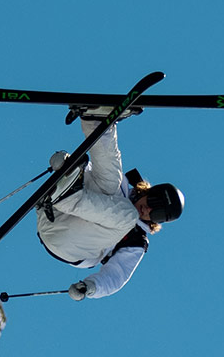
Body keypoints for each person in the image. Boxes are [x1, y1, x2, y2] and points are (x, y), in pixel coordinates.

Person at [36, 112, 183, 300]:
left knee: (128, 217)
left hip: (69, 244)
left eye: (158, 214)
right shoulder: (120, 187)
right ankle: (95, 120)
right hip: (51, 213)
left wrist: (91, 286)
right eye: (153, 201)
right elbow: (94, 178)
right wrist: (70, 167)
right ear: (148, 191)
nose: (148, 210)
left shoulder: (136, 240)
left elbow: (117, 274)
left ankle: (67, 196)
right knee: (112, 182)